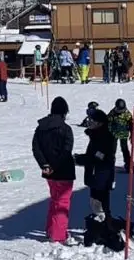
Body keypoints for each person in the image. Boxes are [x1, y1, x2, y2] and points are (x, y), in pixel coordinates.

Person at [32, 97, 75, 244]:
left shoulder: (41, 128)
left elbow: (36, 149)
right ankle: (58, 235)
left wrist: (45, 165)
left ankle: (52, 229)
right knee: (62, 203)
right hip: (63, 171)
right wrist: (54, 166)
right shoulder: (66, 129)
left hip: (49, 172)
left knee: (55, 200)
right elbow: (66, 151)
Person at [78, 107, 122, 250]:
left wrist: (81, 159)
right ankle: (100, 230)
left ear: (99, 123)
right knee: (95, 204)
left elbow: (101, 158)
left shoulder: (106, 137)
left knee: (103, 206)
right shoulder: (96, 135)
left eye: (92, 120)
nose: (88, 122)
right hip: (95, 177)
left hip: (102, 177)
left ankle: (108, 233)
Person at [107, 98, 133, 173]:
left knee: (124, 149)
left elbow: (131, 124)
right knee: (112, 150)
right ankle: (110, 165)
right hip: (113, 133)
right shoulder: (113, 112)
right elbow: (108, 120)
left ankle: (129, 165)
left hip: (123, 133)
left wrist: (131, 133)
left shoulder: (126, 113)